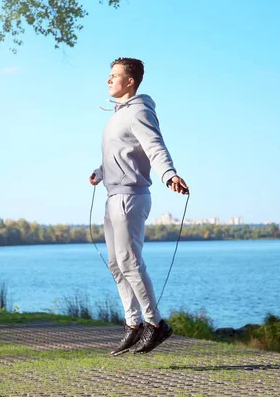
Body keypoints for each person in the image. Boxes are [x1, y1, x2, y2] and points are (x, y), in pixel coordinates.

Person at [90, 57, 189, 355]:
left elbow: (154, 146)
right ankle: (133, 325)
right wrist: (101, 171)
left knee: (130, 262)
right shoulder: (115, 116)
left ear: (129, 81)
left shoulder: (140, 111)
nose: (108, 80)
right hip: (113, 195)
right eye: (108, 76)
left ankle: (155, 324)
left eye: (114, 76)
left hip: (130, 197)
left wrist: (169, 174)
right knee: (116, 264)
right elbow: (121, 155)